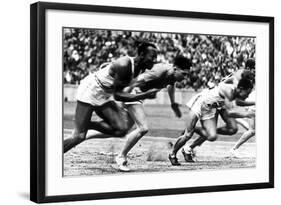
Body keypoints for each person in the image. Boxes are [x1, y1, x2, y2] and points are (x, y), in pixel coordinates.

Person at [64, 42, 159, 153]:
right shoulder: (125, 64)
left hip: (104, 94)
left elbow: (123, 88)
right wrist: (145, 95)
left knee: (121, 130)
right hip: (91, 90)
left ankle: (86, 124)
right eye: (152, 57)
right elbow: (118, 96)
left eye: (156, 57)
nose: (155, 60)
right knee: (79, 136)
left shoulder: (141, 69)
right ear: (142, 54)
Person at [114, 55, 191, 171]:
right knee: (143, 128)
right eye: (183, 74)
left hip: (137, 96)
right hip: (133, 94)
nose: (185, 78)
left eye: (186, 75)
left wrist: (173, 103)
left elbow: (171, 85)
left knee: (123, 129)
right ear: (175, 68)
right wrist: (123, 98)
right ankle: (121, 157)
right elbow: (135, 81)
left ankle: (85, 134)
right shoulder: (160, 71)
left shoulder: (172, 74)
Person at [168, 77, 254, 166]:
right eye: (247, 93)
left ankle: (194, 129)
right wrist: (246, 114)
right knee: (188, 135)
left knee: (212, 136)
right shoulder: (229, 91)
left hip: (209, 109)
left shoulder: (236, 90)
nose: (247, 96)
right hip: (200, 103)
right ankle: (172, 154)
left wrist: (255, 102)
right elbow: (229, 112)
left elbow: (239, 102)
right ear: (241, 89)